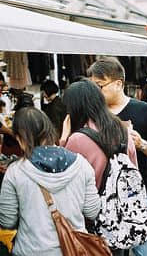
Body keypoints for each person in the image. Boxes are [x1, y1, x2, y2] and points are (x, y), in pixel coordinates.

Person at [87, 57, 147, 256]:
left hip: (139, 195)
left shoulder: (143, 110)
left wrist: (141, 144)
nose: (96, 92)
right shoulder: (93, 114)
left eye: (100, 86)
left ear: (118, 83)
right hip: (104, 198)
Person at [0, 107, 101, 255]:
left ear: (20, 138)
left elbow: (7, 222)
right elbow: (92, 212)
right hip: (74, 250)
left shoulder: (15, 172)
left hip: (30, 251)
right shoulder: (82, 164)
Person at [60, 79, 138, 190]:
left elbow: (62, 177)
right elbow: (134, 167)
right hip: (125, 203)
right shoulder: (122, 129)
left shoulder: (77, 139)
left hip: (94, 204)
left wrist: (63, 139)